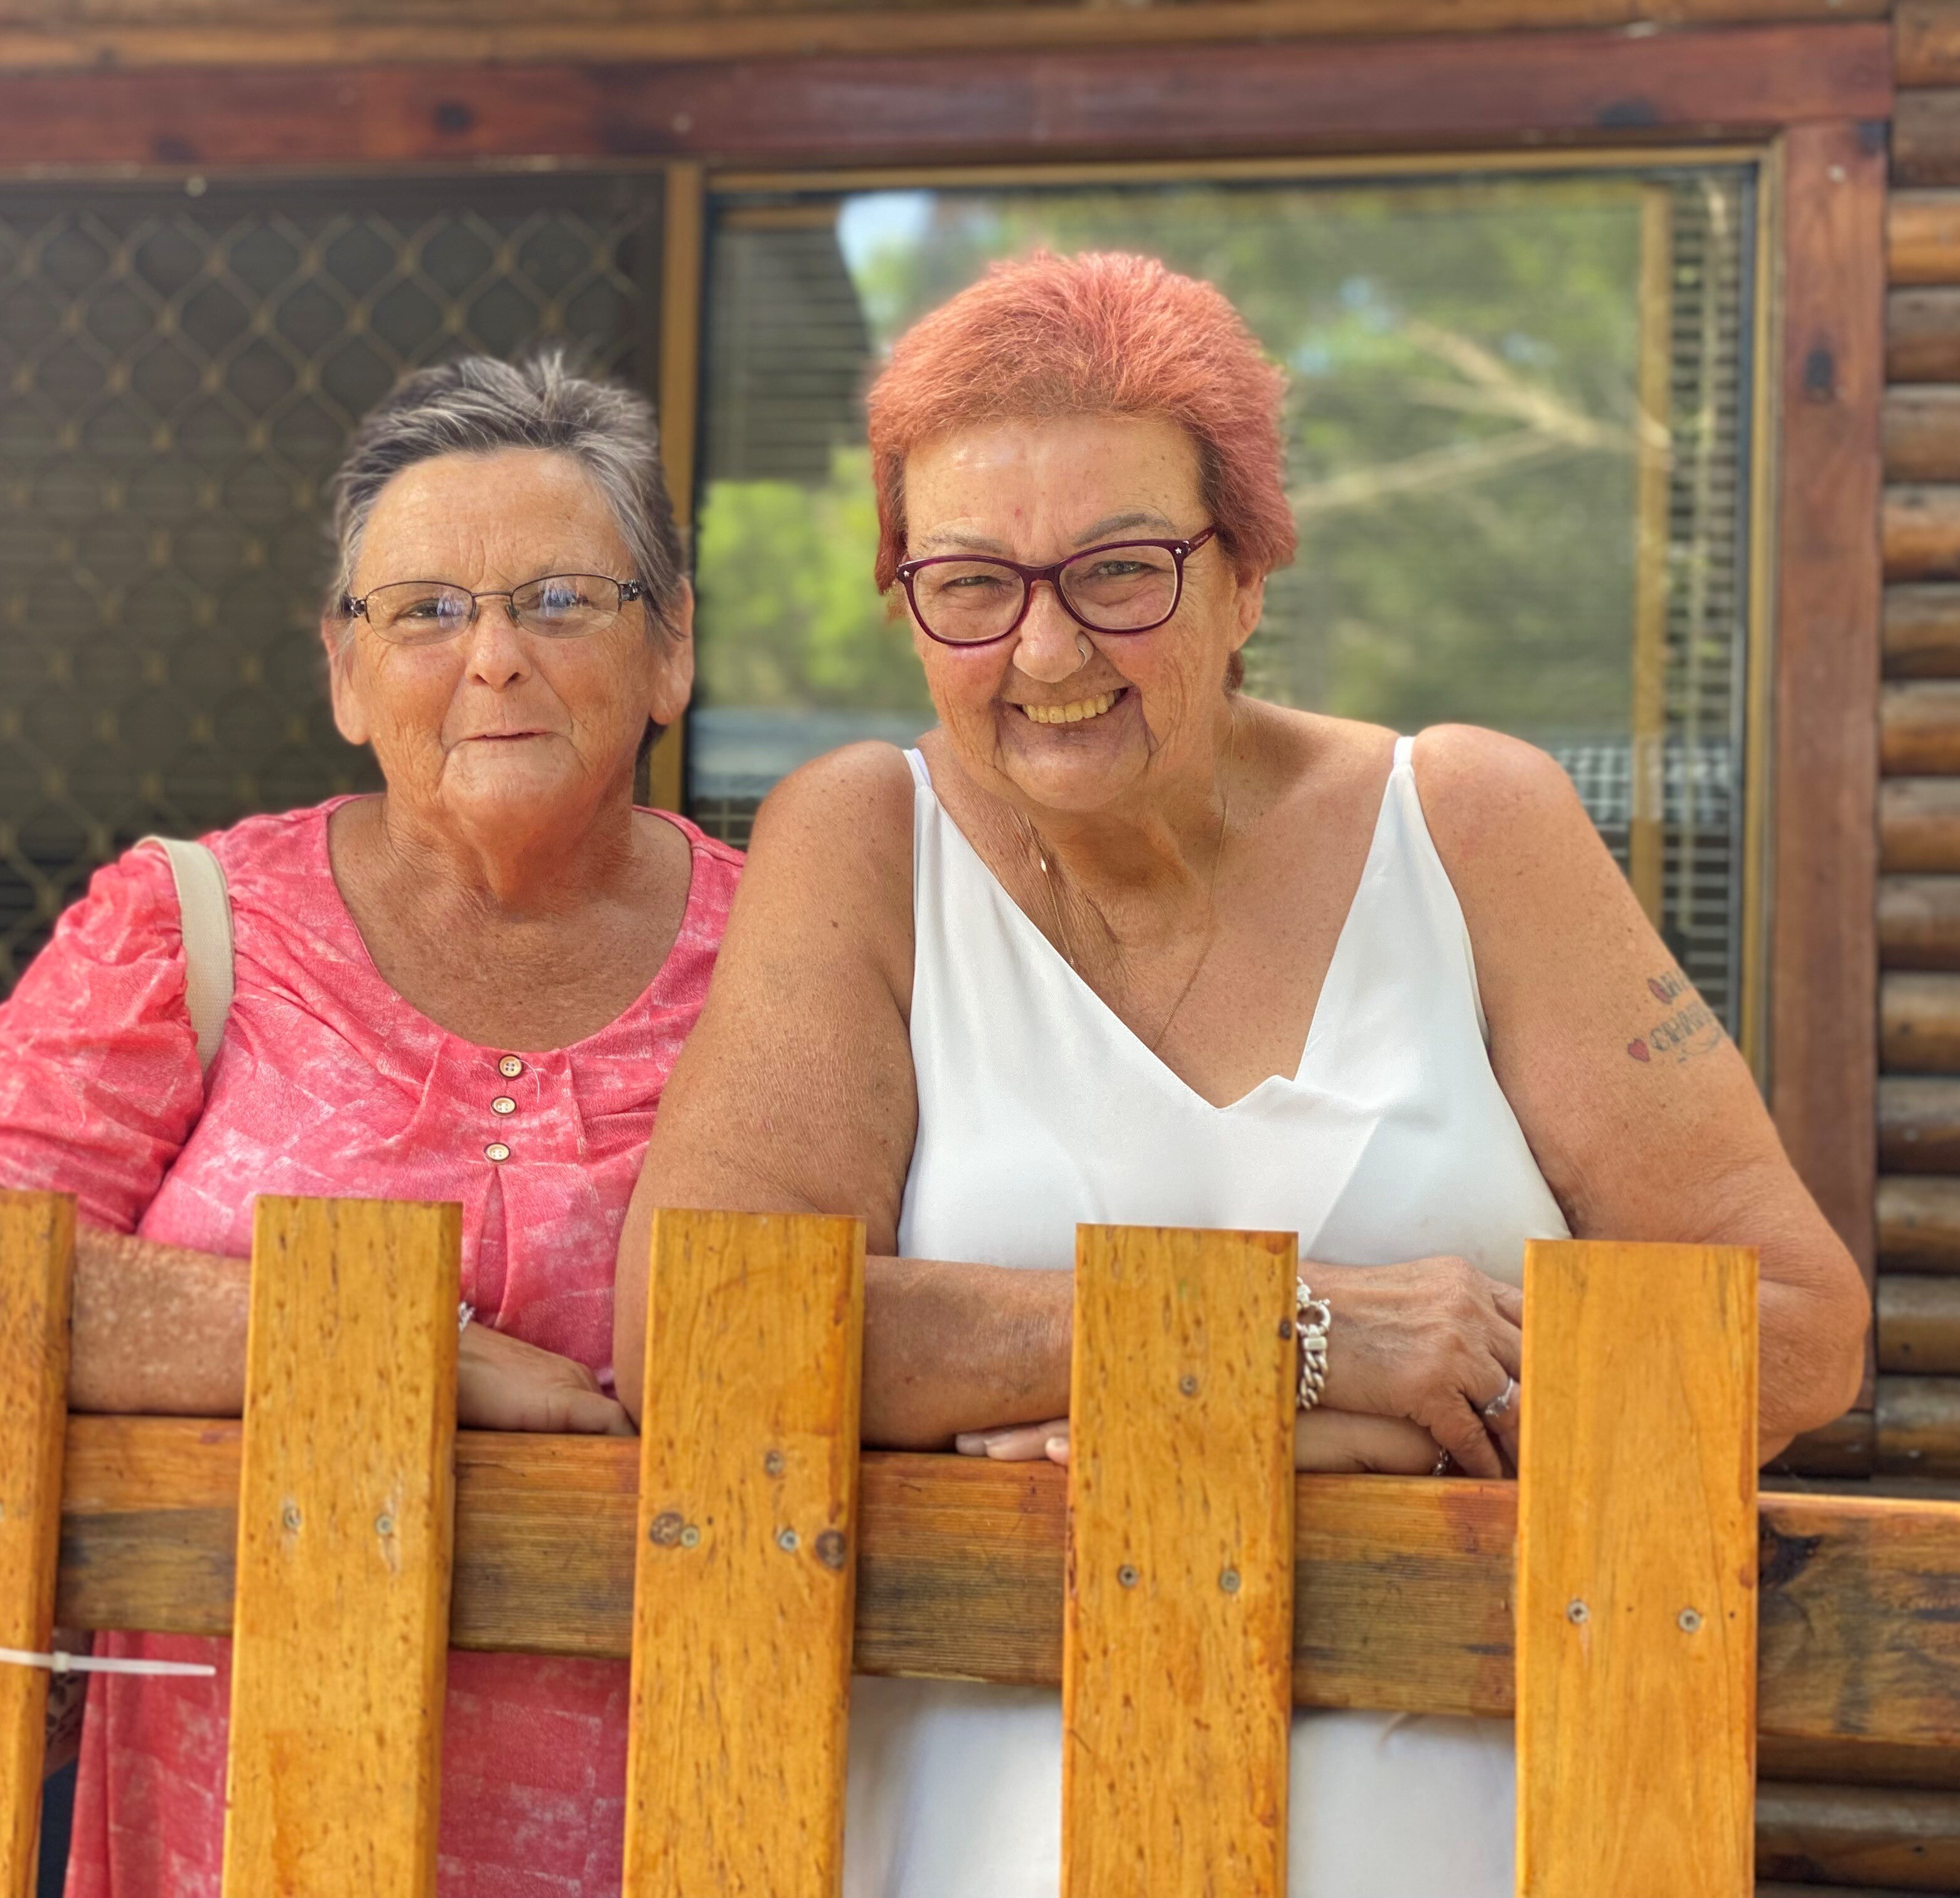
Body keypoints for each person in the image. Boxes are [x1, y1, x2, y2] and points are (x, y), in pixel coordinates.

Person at [614, 252, 1868, 1897]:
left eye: (1122, 570)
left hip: (1468, 1828)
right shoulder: (863, 842)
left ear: (1249, 571)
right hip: (989, 1840)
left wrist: (1378, 1430)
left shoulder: (1471, 826)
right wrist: (1294, 1352)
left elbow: (1789, 1326)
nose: (1047, 652)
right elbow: (698, 1330)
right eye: (970, 584)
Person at [0, 351, 741, 1898]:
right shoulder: (190, 928)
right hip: (239, 1832)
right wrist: (414, 1353)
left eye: (563, 601)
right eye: (429, 610)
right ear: (344, 669)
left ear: (671, 655)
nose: (496, 658)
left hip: (697, 1815)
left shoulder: (797, 953)